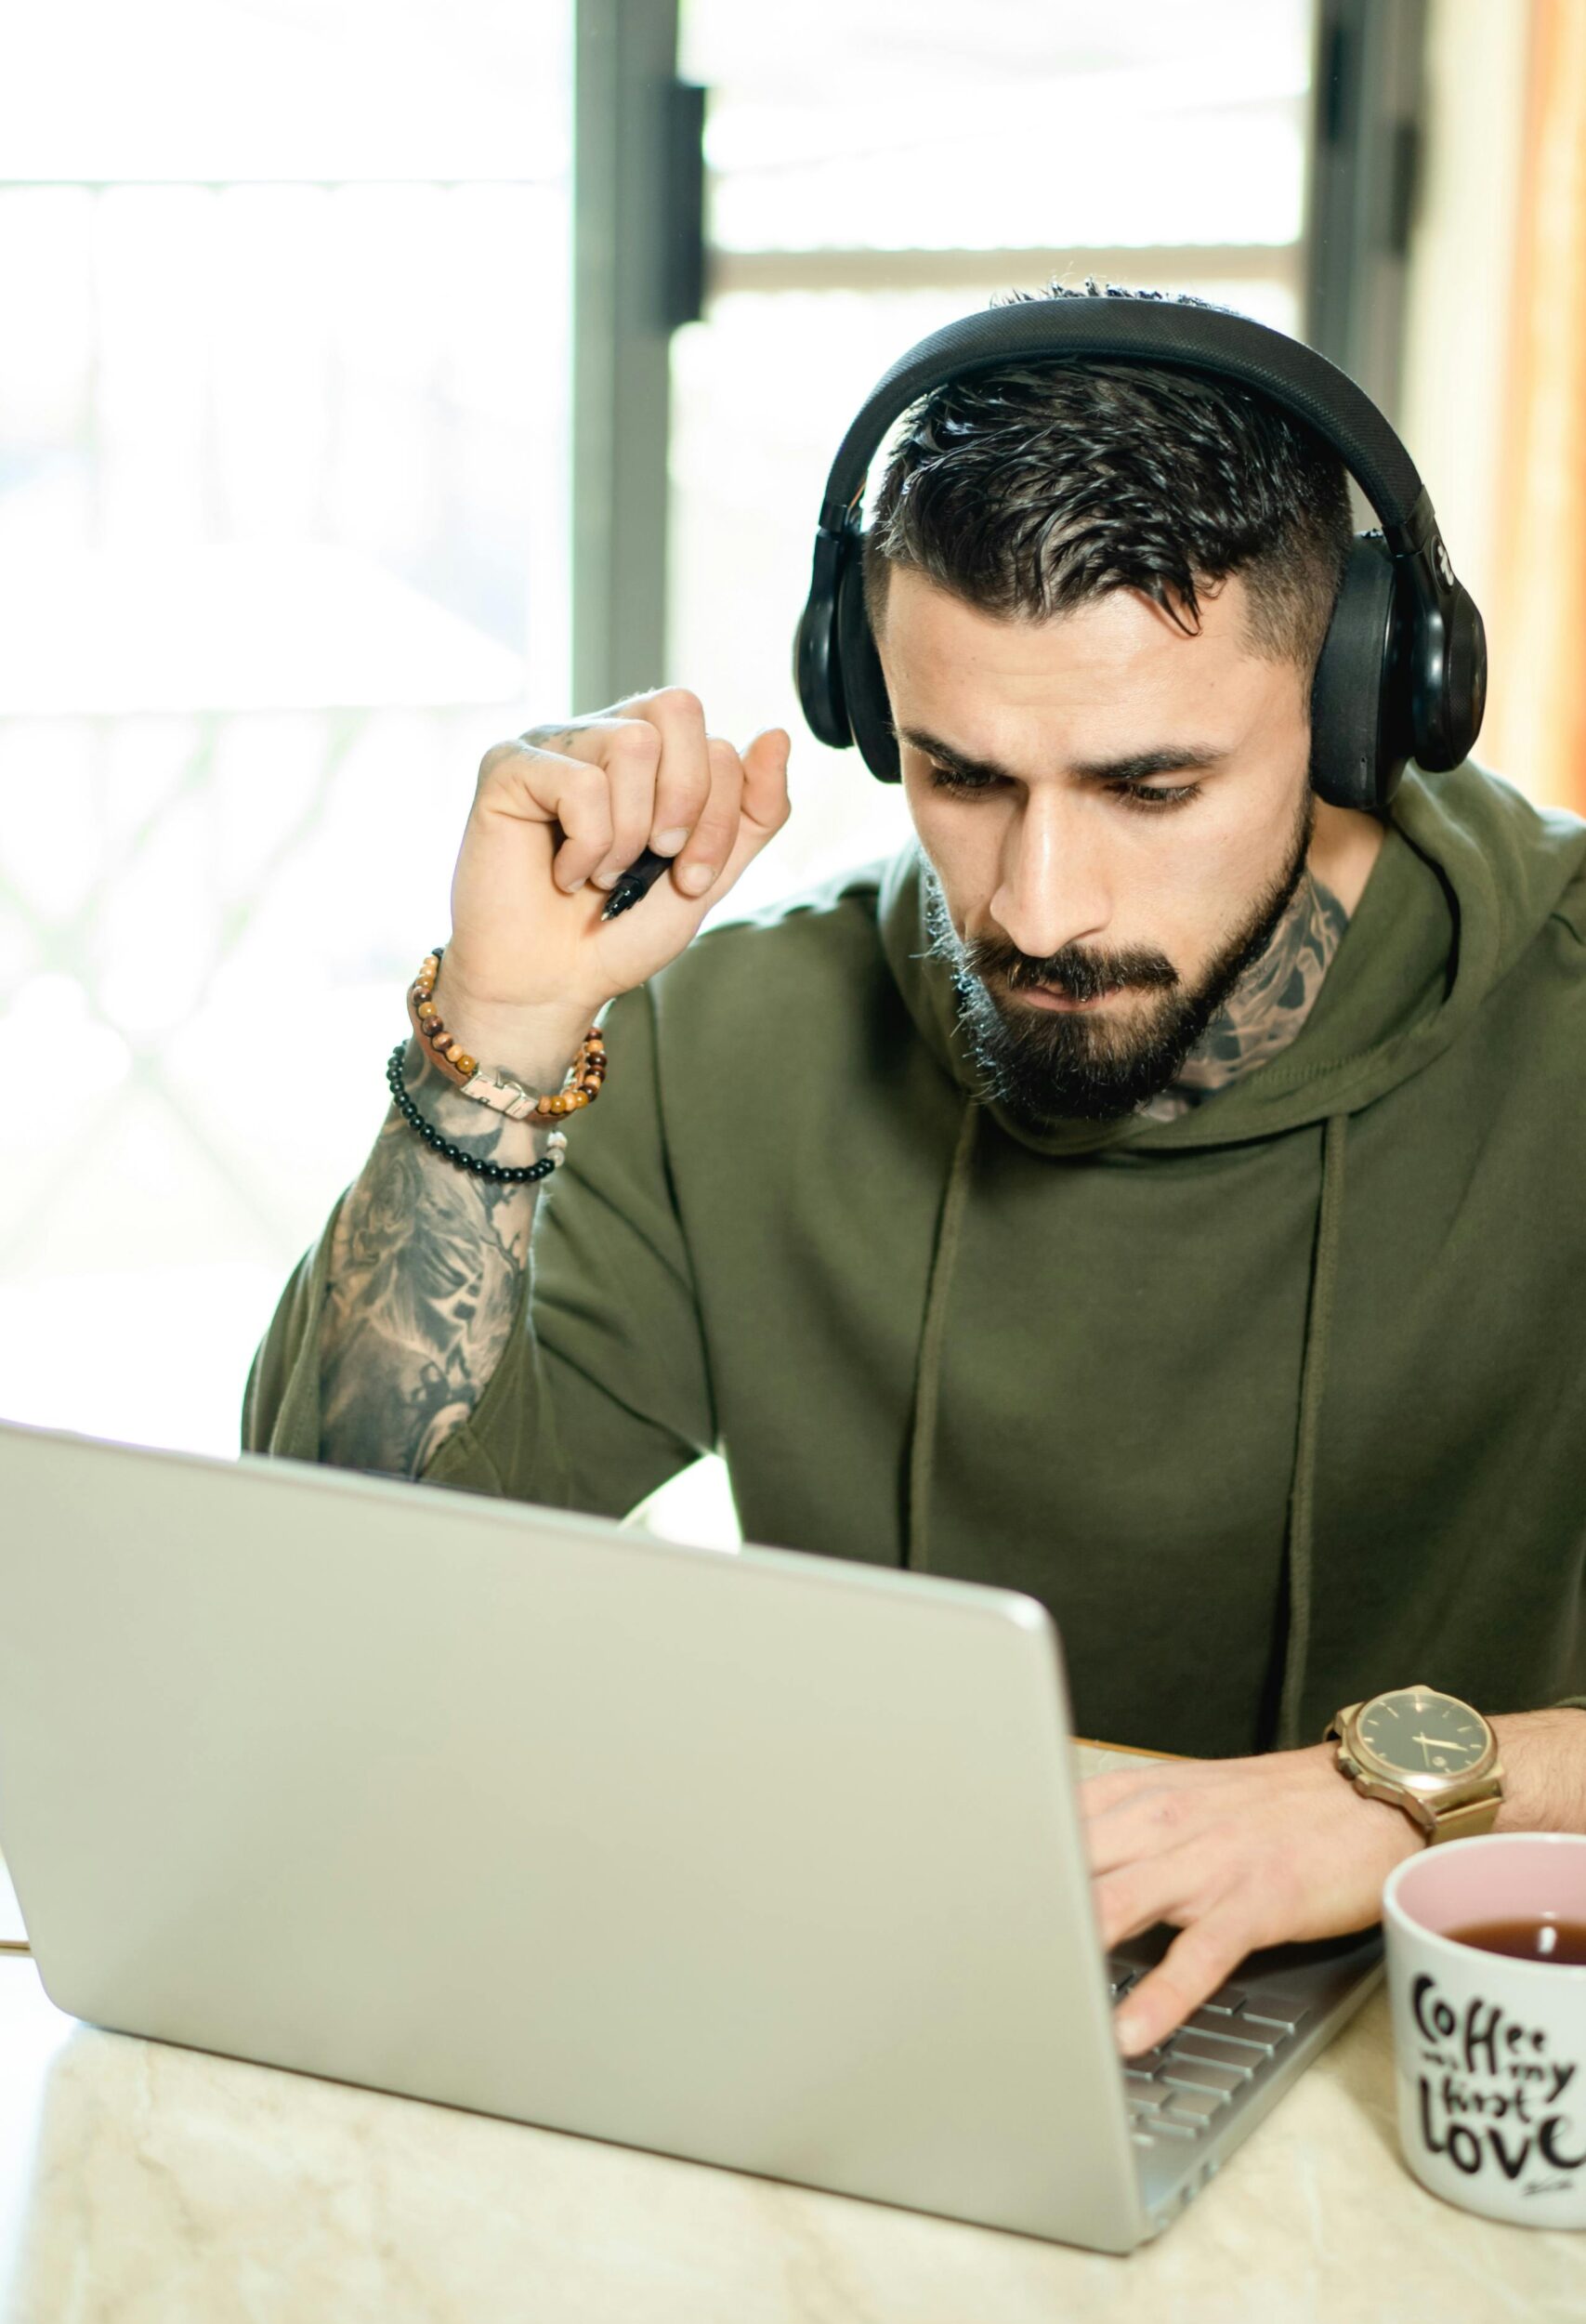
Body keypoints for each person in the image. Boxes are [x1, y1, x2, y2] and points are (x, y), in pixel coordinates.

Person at [246, 293, 1586, 2056]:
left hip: (1461, 2050)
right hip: (914, 2026)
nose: (1039, 906)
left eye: (1153, 788)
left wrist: (1406, 1797)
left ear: (1362, 710)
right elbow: (336, 1603)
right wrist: (497, 1024)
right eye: (963, 777)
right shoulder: (727, 1037)